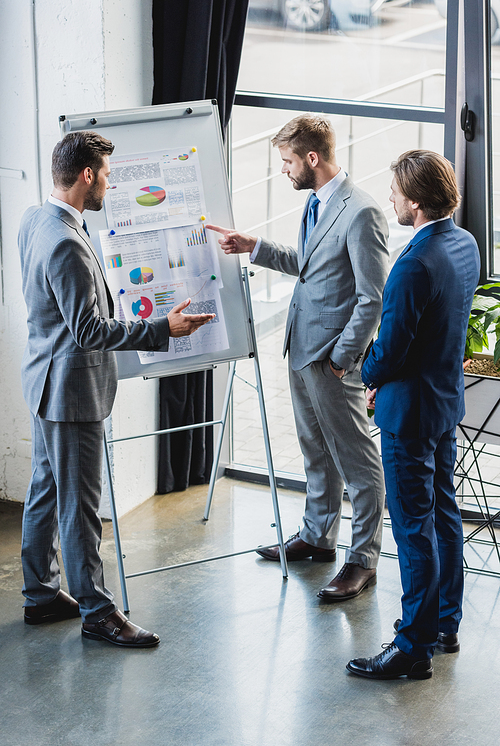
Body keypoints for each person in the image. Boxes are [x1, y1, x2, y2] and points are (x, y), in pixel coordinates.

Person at [19, 131, 214, 647]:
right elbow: (88, 331)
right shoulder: (66, 241)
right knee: (80, 503)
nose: (109, 181)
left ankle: (40, 593)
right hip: (70, 391)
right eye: (106, 173)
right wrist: (160, 330)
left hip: (44, 381)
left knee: (45, 490)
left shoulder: (35, 219)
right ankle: (97, 611)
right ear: (87, 175)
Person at [207, 114, 389, 601]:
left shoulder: (362, 212)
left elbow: (373, 297)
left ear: (312, 158)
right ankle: (317, 536)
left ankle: (363, 558)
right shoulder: (315, 203)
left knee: (357, 459)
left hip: (331, 357)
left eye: (287, 161)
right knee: (315, 448)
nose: (283, 171)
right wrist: (255, 247)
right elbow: (311, 267)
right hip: (300, 348)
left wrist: (342, 358)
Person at [346, 150, 480, 680]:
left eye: (396, 194)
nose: (391, 201)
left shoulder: (414, 263)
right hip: (445, 403)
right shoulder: (465, 244)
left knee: (411, 529)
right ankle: (445, 623)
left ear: (417, 203)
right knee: (444, 517)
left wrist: (365, 376)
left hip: (409, 417)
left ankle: (412, 647)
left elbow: (393, 346)